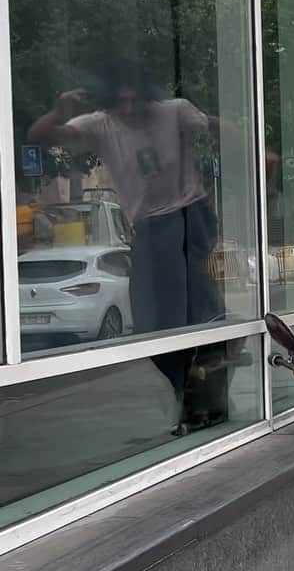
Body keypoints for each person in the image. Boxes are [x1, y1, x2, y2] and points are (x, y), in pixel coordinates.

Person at [29, 63, 229, 430]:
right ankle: (197, 382)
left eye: (135, 102)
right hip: (149, 224)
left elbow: (217, 125)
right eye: (120, 102)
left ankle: (214, 329)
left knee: (183, 300)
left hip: (191, 214)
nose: (128, 110)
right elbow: (39, 135)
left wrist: (256, 148)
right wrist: (60, 111)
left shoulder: (174, 111)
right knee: (150, 322)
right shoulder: (101, 123)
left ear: (148, 96)